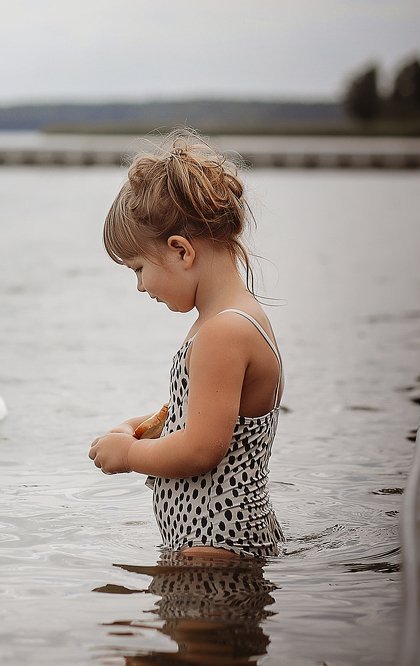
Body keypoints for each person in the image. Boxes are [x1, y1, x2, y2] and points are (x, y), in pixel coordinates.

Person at [88, 130, 284, 559]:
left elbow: (200, 448)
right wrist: (138, 426)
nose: (139, 286)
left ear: (180, 251)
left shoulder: (223, 331)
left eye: (138, 268)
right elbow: (200, 413)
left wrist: (130, 454)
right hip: (209, 541)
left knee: (201, 629)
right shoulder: (222, 320)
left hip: (217, 546)